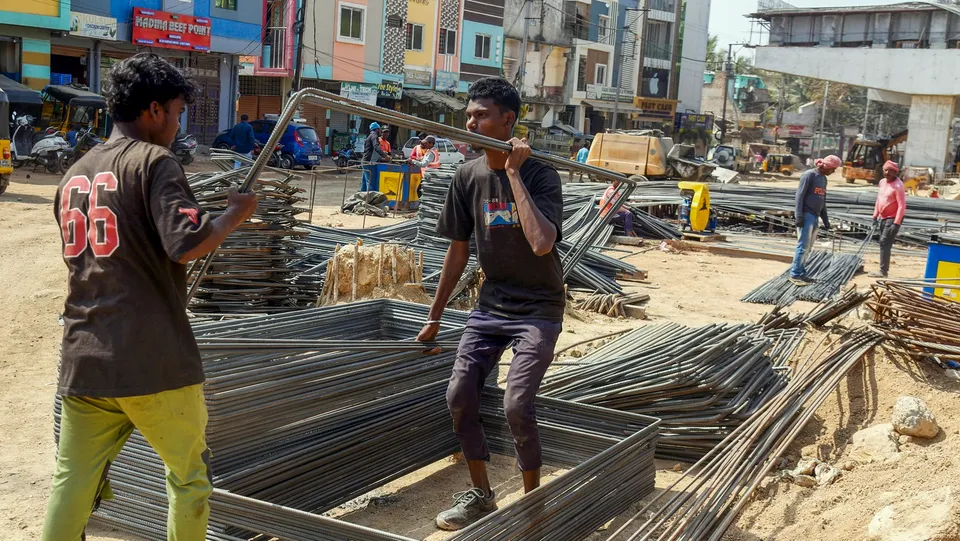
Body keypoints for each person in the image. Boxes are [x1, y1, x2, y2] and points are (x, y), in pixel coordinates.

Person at [42, 52, 259, 541]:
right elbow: (187, 244)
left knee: (72, 481)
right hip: (153, 360)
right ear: (154, 110)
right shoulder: (154, 162)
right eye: (178, 114)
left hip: (85, 359)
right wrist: (233, 216)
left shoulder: (74, 173)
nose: (178, 126)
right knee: (188, 479)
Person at [415, 77, 564, 531]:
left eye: (480, 115)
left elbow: (541, 244)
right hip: (491, 305)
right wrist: (435, 317)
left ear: (507, 121)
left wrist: (514, 172)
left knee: (518, 403)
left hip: (539, 307)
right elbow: (457, 252)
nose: (470, 123)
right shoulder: (466, 176)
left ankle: (532, 505)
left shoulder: (541, 173)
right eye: (468, 115)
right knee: (459, 395)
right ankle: (481, 495)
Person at [789, 154, 841, 286]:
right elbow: (799, 196)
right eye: (832, 169)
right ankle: (795, 274)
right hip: (806, 215)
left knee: (809, 247)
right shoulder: (809, 175)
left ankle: (801, 272)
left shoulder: (823, 179)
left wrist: (826, 220)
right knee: (802, 246)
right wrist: (799, 216)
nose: (833, 172)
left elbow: (822, 201)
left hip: (815, 216)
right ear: (826, 166)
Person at [870, 160, 907, 278]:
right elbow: (879, 200)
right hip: (883, 217)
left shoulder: (898, 186)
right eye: (886, 170)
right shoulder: (882, 182)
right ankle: (883, 268)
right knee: (883, 243)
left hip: (893, 218)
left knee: (884, 242)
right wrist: (874, 216)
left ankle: (883, 271)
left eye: (891, 171)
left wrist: (896, 224)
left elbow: (902, 205)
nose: (888, 173)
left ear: (895, 172)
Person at [361, 121, 388, 191]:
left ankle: (362, 199)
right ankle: (370, 200)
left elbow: (371, 149)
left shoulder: (370, 136)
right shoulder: (374, 135)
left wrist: (382, 153)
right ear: (377, 129)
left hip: (365, 161)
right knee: (371, 184)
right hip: (370, 163)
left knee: (364, 184)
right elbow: (376, 147)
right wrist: (385, 156)